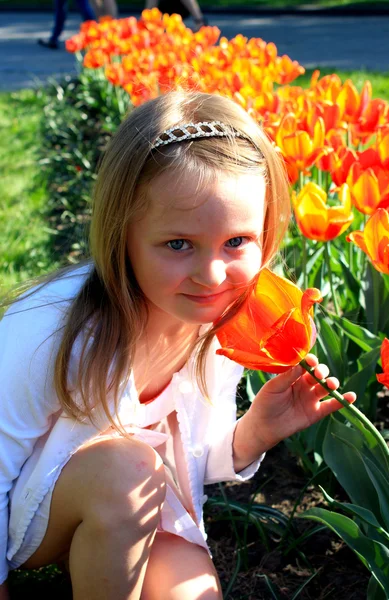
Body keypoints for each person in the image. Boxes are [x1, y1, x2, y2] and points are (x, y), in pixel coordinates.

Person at [0, 91, 355, 600]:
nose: (212, 275)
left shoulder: (223, 322)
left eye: (236, 242)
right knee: (129, 471)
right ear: (122, 235)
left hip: (139, 511)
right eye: (178, 244)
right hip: (32, 512)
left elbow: (187, 457)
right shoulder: (54, 328)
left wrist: (256, 430)